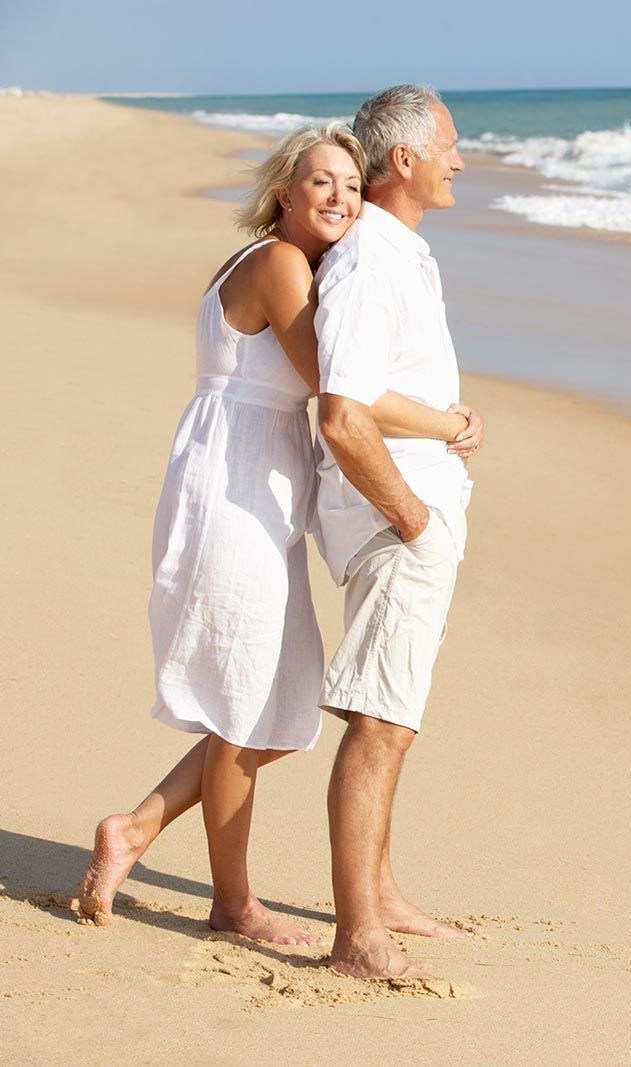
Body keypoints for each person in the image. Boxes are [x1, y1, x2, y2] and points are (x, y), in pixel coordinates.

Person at [76, 123, 484, 946]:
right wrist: (449, 422)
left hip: (248, 483)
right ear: (284, 192)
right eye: (321, 182)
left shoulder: (280, 262)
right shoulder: (279, 264)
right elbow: (343, 389)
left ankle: (135, 829)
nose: (341, 197)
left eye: (350, 185)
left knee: (266, 701)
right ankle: (232, 904)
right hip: (236, 494)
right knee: (245, 704)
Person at [311, 85, 474, 979]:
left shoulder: (399, 250)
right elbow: (345, 406)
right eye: (449, 145)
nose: (462, 159)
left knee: (396, 719)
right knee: (378, 722)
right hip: (395, 515)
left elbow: (378, 387)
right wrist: (409, 515)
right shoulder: (371, 256)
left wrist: (449, 424)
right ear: (403, 159)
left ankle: (380, 894)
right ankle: (354, 934)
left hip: (416, 507)